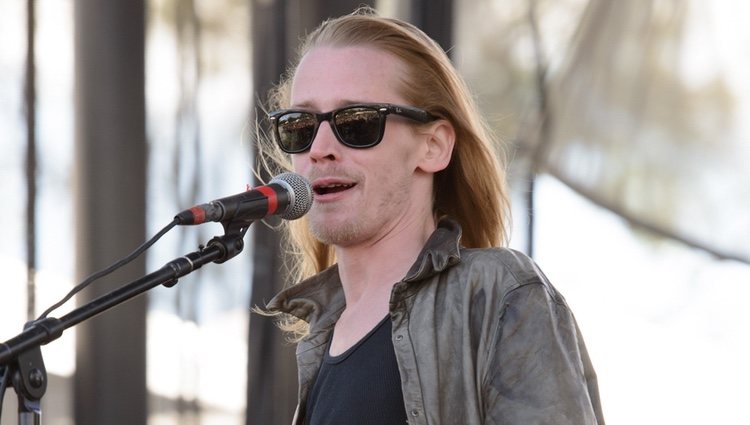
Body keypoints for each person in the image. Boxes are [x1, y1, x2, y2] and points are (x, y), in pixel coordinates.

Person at [259, 7, 604, 425]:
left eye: (358, 122)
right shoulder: (320, 342)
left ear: (434, 146)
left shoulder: (500, 293)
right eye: (300, 125)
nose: (320, 148)